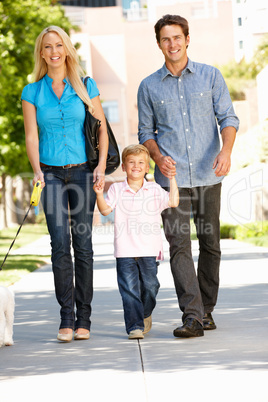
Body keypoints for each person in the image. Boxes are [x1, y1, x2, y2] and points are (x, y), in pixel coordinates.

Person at [137, 15, 239, 338]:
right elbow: (145, 132)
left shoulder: (210, 76)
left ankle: (206, 310)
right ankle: (192, 315)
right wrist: (156, 156)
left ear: (187, 39)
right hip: (173, 183)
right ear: (159, 44)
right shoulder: (148, 86)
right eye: (166, 39)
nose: (172, 44)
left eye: (177, 37)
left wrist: (226, 151)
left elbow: (228, 116)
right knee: (179, 245)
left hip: (209, 173)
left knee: (210, 243)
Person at [21, 26, 108, 342]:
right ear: (41, 53)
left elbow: (101, 130)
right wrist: (37, 171)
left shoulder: (85, 85)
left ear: (67, 50)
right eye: (48, 47)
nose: (54, 51)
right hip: (51, 175)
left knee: (82, 245)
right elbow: (31, 135)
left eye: (59, 45)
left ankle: (84, 318)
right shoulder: (32, 91)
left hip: (84, 172)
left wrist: (100, 167)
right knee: (59, 244)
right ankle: (66, 319)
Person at [93, 144, 179, 339]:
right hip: (125, 250)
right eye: (131, 162)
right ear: (124, 167)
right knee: (129, 291)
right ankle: (135, 326)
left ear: (147, 167)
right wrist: (99, 194)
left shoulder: (155, 189)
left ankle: (145, 313)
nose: (136, 166)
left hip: (149, 249)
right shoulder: (117, 188)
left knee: (151, 286)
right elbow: (106, 210)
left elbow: (173, 202)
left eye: (141, 162)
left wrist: (172, 178)